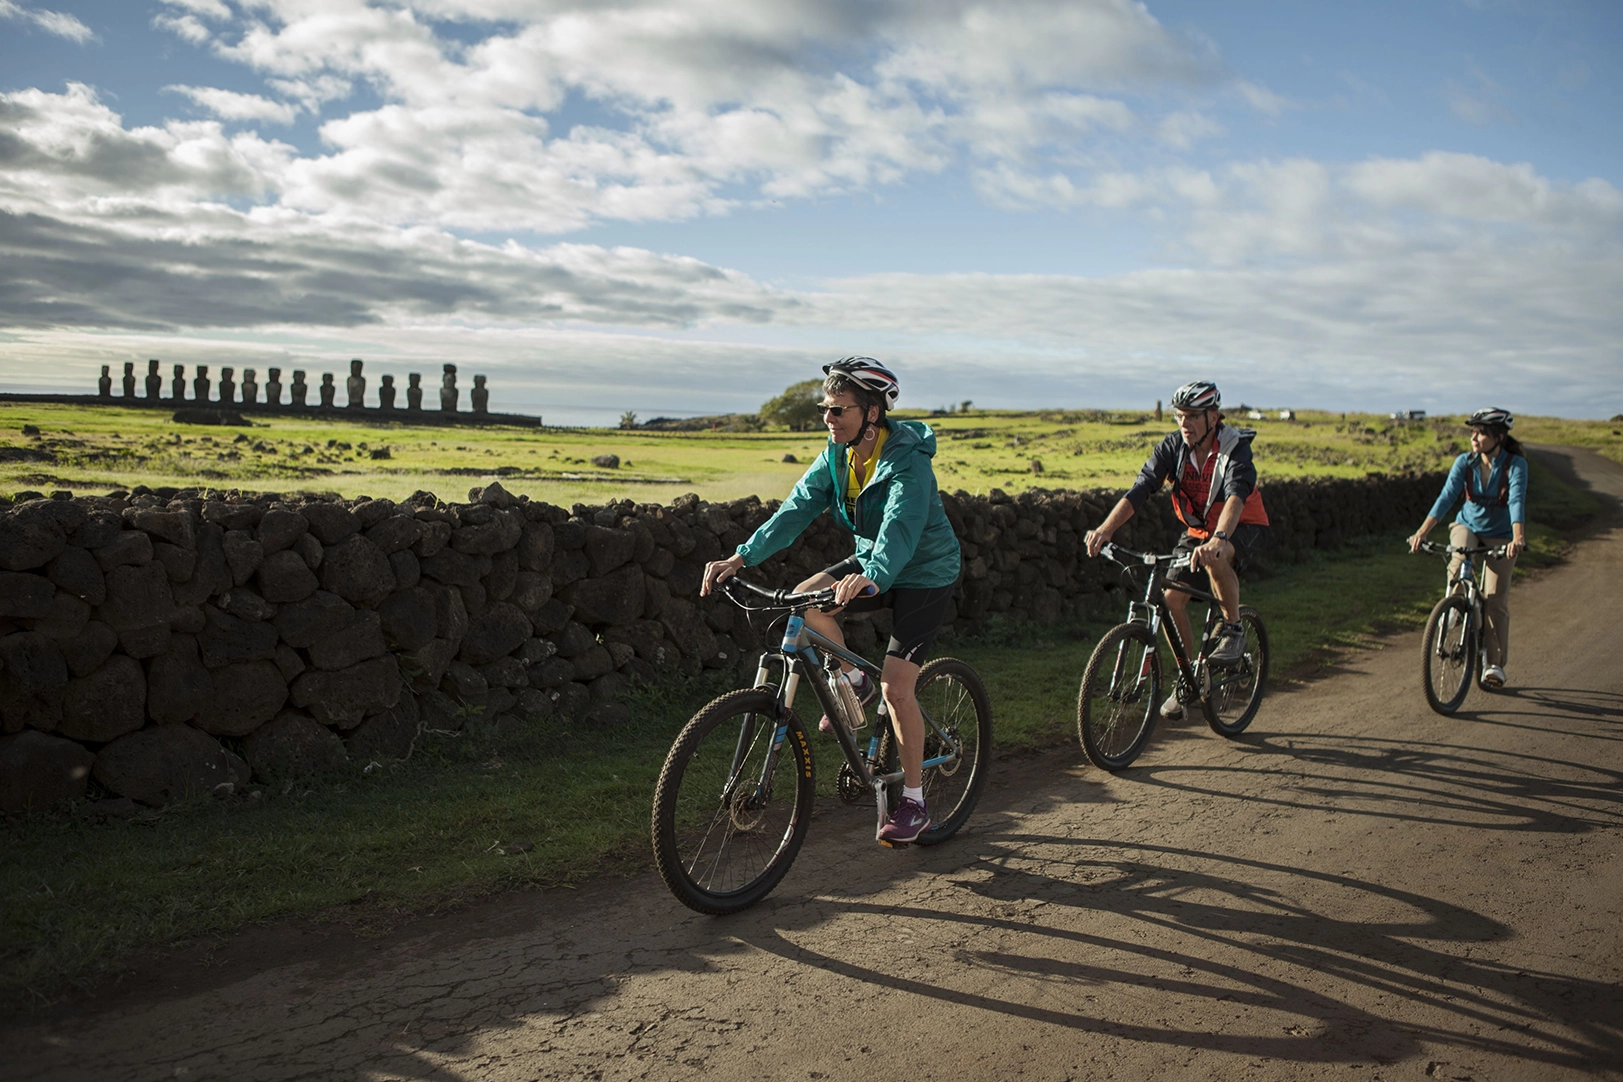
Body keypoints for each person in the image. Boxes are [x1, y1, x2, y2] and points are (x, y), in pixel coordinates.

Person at [701, 357, 962, 846]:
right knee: (803, 602)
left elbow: (901, 529)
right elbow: (796, 508)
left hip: (923, 572)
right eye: (826, 407)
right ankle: (852, 680)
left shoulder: (908, 460)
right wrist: (741, 557)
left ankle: (914, 801)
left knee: (898, 689)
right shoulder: (836, 454)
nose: (828, 418)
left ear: (872, 413)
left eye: (838, 409)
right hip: (872, 561)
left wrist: (873, 575)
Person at [1083, 380, 1271, 719]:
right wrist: (1104, 530)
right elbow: (1141, 489)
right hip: (1199, 529)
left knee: (1217, 559)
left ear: (1213, 417)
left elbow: (1235, 496)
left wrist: (1220, 538)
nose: (1184, 424)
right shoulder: (1173, 447)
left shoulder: (1234, 448)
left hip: (1243, 525)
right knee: (1170, 600)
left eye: (1192, 417)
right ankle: (1191, 679)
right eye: (1179, 416)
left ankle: (1233, 630)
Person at [1406, 407, 1528, 689]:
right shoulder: (1465, 462)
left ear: (1498, 437)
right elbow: (1447, 496)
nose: (1474, 437)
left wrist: (1517, 538)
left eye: (1481, 432)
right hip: (1468, 526)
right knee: (1458, 561)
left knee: (1495, 598)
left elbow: (1516, 501)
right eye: (1472, 431)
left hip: (1502, 534)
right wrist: (1421, 533)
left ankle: (1494, 663)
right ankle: (1453, 609)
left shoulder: (1516, 465)